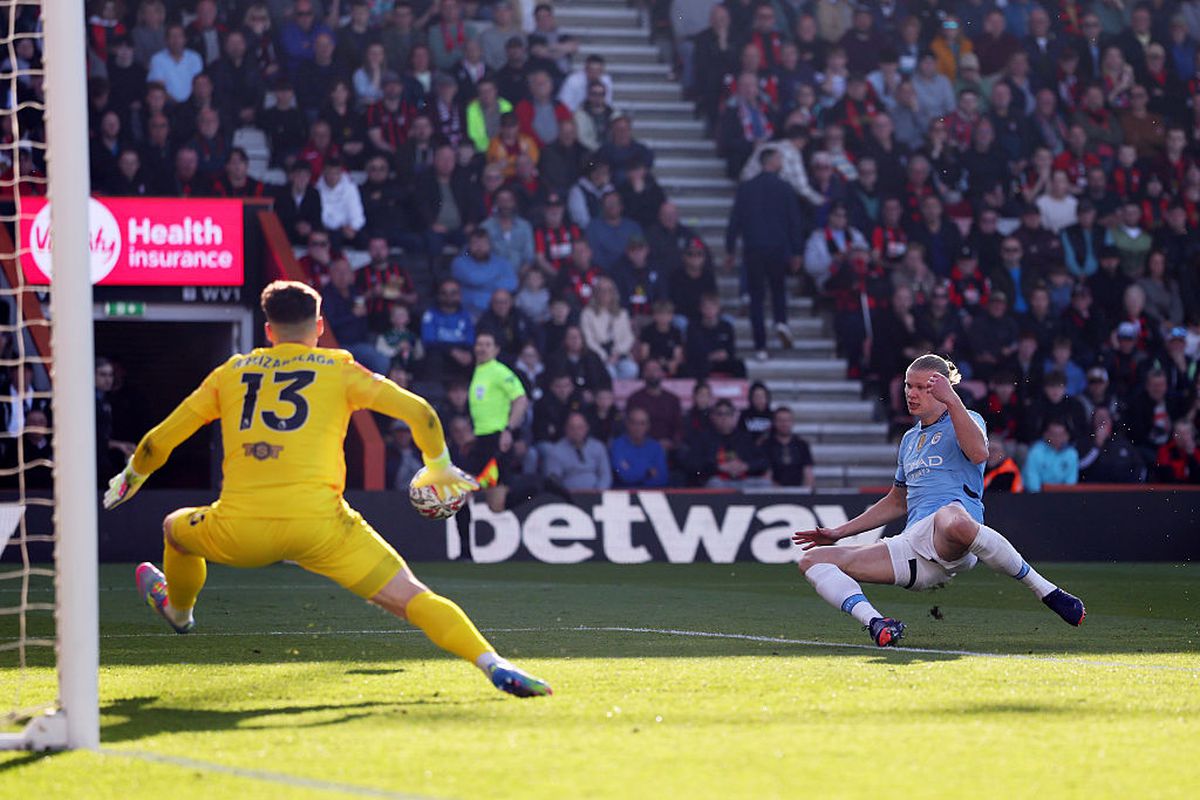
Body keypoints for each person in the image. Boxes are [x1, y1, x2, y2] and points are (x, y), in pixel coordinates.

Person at [102, 281, 549, 699]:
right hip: (323, 529)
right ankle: (492, 663)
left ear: (268, 330)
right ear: (318, 326)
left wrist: (131, 479)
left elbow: (157, 442)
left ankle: (179, 612)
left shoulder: (232, 372)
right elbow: (422, 413)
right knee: (413, 598)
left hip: (240, 529)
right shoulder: (338, 368)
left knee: (174, 529)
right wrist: (439, 466)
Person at [792, 354, 1086, 648]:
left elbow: (979, 455)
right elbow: (897, 501)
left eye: (921, 387)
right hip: (915, 547)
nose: (911, 393)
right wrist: (839, 533)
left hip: (954, 532)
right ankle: (877, 623)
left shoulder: (968, 418)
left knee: (951, 516)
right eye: (909, 385)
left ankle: (1047, 591)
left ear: (942, 390)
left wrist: (954, 401)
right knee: (811, 560)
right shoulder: (909, 440)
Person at [725, 148, 804, 358]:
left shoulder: (746, 188)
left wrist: (730, 249)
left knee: (756, 298)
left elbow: (735, 221)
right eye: (779, 159)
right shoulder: (785, 188)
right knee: (778, 290)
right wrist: (797, 251)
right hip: (778, 248)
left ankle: (760, 347)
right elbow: (794, 221)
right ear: (772, 161)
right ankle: (780, 321)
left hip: (753, 248)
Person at [464, 331, 530, 512]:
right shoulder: (479, 372)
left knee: (495, 504)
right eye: (479, 344)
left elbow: (520, 399)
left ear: (496, 350)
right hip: (481, 439)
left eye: (487, 344)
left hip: (496, 439)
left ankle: (539, 484)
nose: (482, 348)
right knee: (467, 493)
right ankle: (464, 540)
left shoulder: (499, 371)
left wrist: (509, 429)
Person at [542, 411, 612, 490]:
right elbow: (553, 481)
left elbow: (605, 475)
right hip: (568, 498)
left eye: (580, 427)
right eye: (572, 428)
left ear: (587, 428)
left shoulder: (598, 447)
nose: (576, 432)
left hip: (596, 496)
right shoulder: (556, 451)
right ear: (566, 429)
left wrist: (598, 492)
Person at [610, 407, 668, 488]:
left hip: (651, 495)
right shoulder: (617, 445)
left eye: (642, 423)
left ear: (648, 426)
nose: (638, 428)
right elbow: (622, 475)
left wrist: (634, 473)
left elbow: (662, 478)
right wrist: (647, 473)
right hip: (624, 495)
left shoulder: (656, 447)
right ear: (627, 424)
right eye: (634, 423)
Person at [1022, 419, 1080, 492]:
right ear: (1046, 435)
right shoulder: (1035, 452)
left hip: (1062, 497)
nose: (1058, 438)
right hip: (1036, 497)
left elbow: (1070, 484)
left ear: (1067, 436)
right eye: (1054, 435)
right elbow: (1032, 484)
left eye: (1061, 435)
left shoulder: (1072, 454)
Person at [766, 406, 815, 488]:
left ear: (792, 422)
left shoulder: (802, 445)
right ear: (774, 422)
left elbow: (808, 473)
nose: (784, 424)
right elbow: (766, 475)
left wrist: (806, 494)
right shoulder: (766, 445)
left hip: (798, 493)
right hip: (774, 493)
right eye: (780, 420)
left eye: (787, 420)